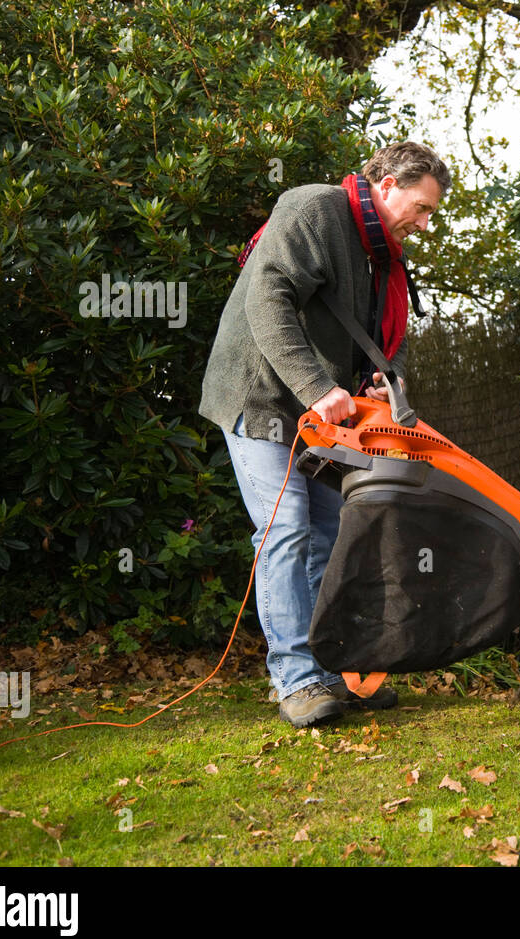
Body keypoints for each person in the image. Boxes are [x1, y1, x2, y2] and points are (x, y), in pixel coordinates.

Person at [199, 141, 451, 727]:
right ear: (386, 185)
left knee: (326, 533)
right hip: (259, 393)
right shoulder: (314, 210)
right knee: (284, 529)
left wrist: (389, 382)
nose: (423, 222)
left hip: (319, 415)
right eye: (420, 206)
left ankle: (332, 668)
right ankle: (295, 679)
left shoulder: (378, 252)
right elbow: (268, 297)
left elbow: (379, 335)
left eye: (429, 213)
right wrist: (316, 385)